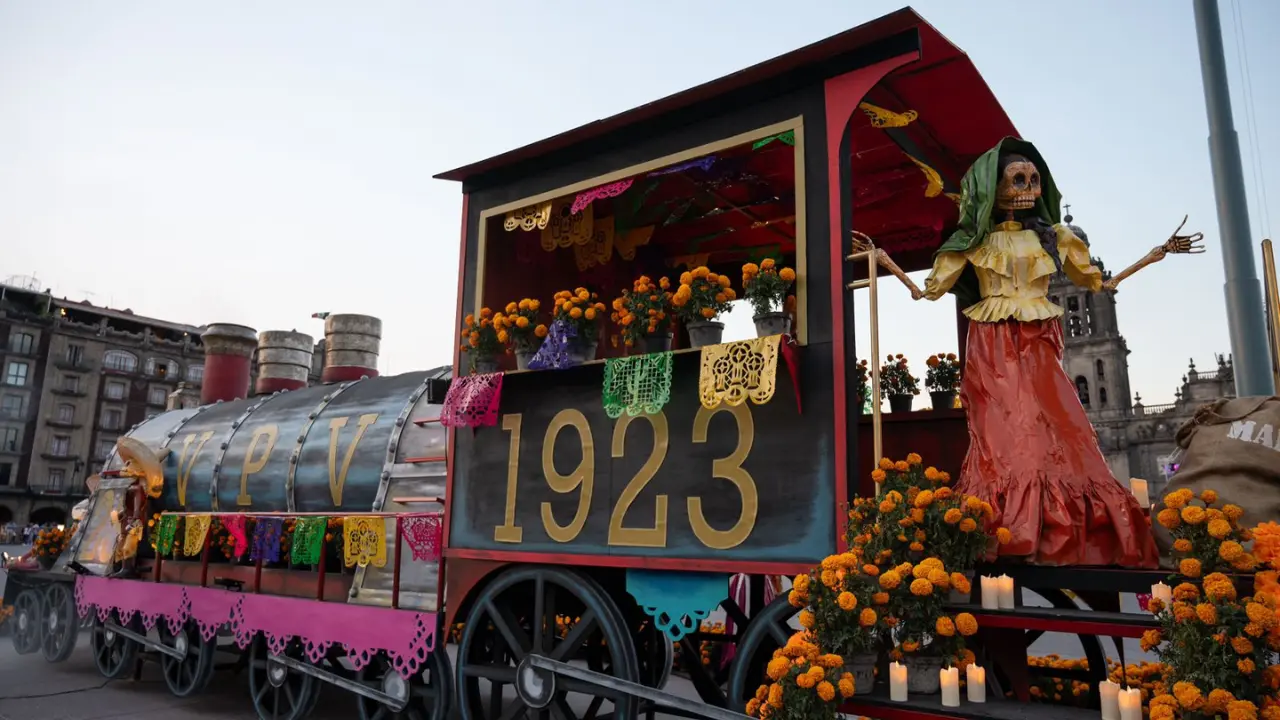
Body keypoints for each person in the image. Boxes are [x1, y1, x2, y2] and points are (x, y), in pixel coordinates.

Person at [914, 138, 1196, 568]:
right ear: (994, 189)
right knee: (1003, 433)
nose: (1028, 188)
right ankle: (1005, 522)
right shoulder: (974, 243)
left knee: (1055, 423)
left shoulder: (1054, 239)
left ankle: (1050, 526)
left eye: (1033, 179)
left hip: (1037, 341)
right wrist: (883, 262)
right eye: (1017, 179)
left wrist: (1155, 254)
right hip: (991, 345)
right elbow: (928, 290)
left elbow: (1099, 283)